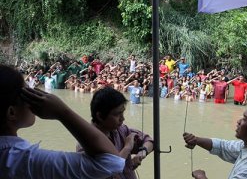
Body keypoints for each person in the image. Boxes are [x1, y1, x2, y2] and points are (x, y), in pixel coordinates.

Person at [0, 65, 136, 179]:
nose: (33, 97)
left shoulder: (122, 130)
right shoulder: (25, 161)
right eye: (27, 95)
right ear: (12, 112)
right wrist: (62, 112)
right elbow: (111, 163)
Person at [183, 103, 247, 179]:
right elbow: (222, 146)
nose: (238, 121)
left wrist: (201, 177)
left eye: (245, 119)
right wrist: (196, 140)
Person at [77, 87, 154, 179]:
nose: (122, 118)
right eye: (117, 114)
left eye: (122, 113)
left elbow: (149, 140)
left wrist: (141, 153)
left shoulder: (121, 130)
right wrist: (127, 148)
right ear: (100, 116)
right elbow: (107, 174)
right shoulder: (86, 144)